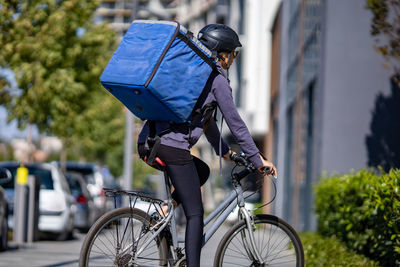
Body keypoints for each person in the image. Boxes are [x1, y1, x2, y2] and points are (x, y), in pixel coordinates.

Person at [137, 24, 277, 267]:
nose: (233, 59)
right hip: (172, 147)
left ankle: (166, 209)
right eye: (233, 53)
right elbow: (236, 124)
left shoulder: (195, 77)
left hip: (149, 142)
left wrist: (223, 152)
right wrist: (258, 160)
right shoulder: (216, 79)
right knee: (195, 215)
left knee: (201, 170)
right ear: (222, 54)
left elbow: (207, 120)